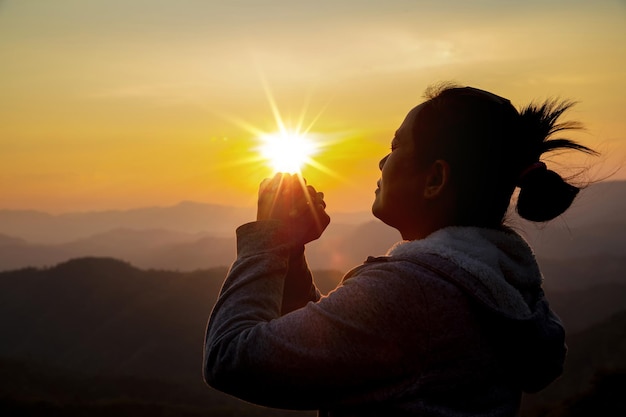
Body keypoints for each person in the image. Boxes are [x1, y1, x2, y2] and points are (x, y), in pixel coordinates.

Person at [203, 84, 597, 416]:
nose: (382, 159)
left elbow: (229, 359)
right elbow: (331, 346)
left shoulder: (415, 293)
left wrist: (267, 235)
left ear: (435, 179)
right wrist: (290, 250)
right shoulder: (492, 282)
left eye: (395, 146)